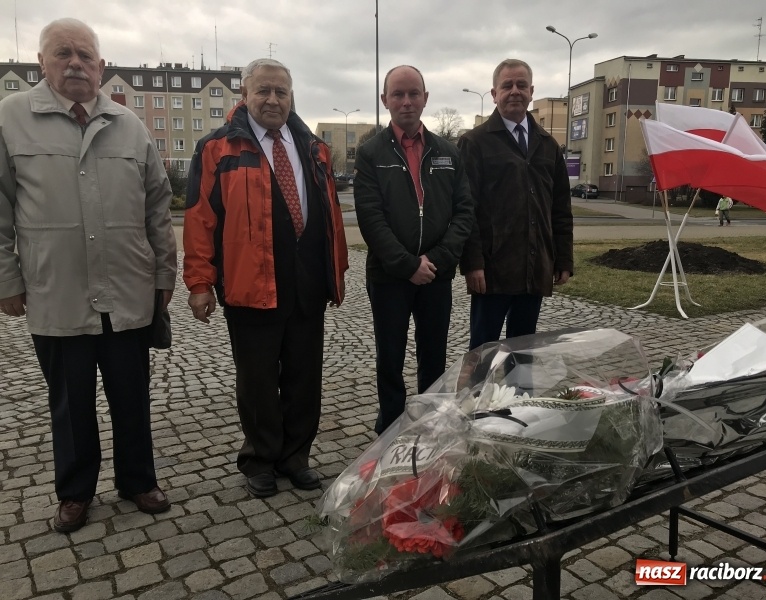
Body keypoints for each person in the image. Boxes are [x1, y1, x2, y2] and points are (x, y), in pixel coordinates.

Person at [0, 18, 177, 532]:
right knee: (70, 402)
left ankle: (138, 480)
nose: (75, 63)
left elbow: (158, 206)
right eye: (63, 54)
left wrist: (164, 274)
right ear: (42, 63)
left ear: (101, 67)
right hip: (57, 291)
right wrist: (7, 280)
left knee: (132, 395)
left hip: (128, 289)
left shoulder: (130, 124)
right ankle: (75, 492)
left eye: (85, 56)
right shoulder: (11, 118)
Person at [183, 58, 348, 498]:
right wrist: (199, 283)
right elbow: (199, 219)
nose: (273, 99)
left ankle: (296, 457)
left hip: (307, 284)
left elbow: (331, 216)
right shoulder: (218, 148)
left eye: (281, 92)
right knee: (256, 381)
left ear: (292, 97)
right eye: (264, 91)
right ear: (245, 94)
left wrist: (336, 272)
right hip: (249, 284)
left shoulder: (313, 148)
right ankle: (260, 458)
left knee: (303, 378)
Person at [354, 65, 474, 434]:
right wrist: (407, 265)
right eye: (398, 94)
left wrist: (434, 260)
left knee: (433, 355)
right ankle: (390, 426)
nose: (406, 101)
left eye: (413, 93)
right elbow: (371, 218)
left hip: (436, 275)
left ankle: (432, 424)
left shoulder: (448, 152)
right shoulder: (370, 153)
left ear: (425, 98)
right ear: (385, 100)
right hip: (389, 275)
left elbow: (464, 211)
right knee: (390, 357)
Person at [458, 58, 573, 350]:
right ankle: (479, 385)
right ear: (494, 93)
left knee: (523, 352)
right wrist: (472, 264)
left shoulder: (547, 145)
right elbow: (465, 209)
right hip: (492, 270)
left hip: (535, 267)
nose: (514, 91)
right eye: (507, 85)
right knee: (482, 353)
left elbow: (560, 207)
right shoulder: (474, 143)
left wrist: (563, 259)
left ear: (531, 91)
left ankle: (520, 384)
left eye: (521, 85)